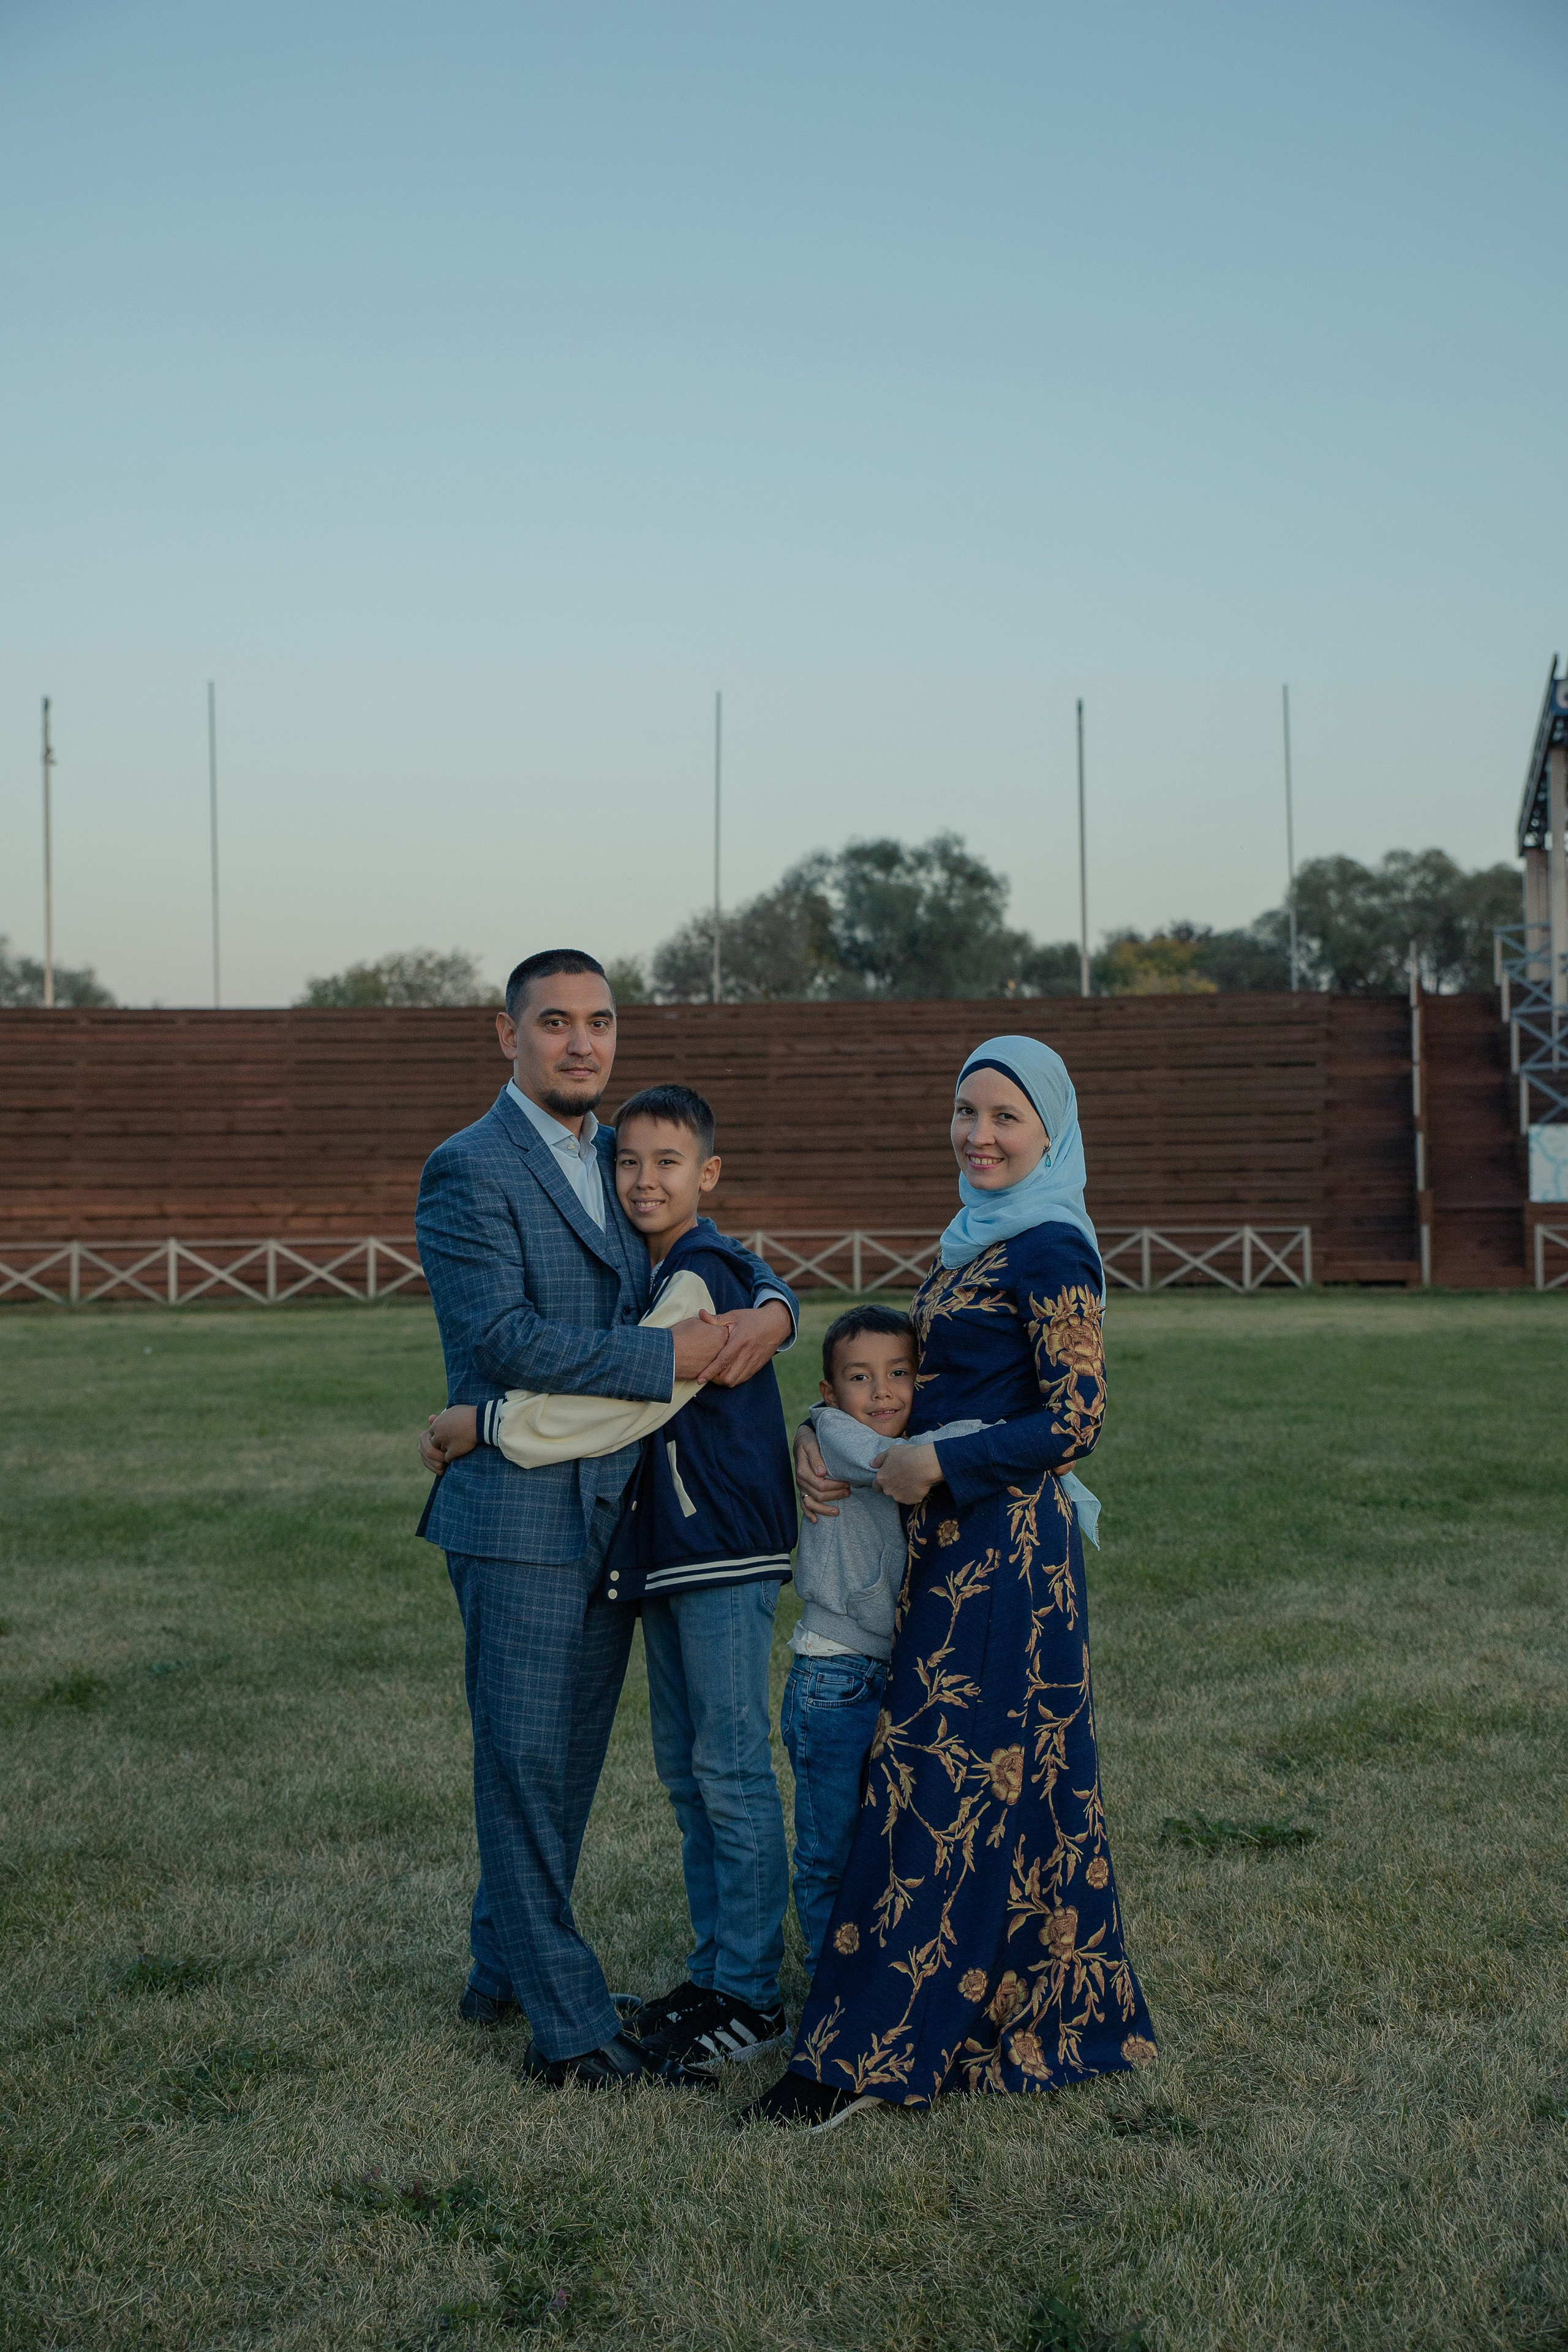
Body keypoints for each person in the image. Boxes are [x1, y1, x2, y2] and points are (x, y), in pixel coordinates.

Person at [748, 1033, 1156, 2130]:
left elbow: (1077, 1417)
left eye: (1005, 1118)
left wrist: (948, 1464)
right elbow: (908, 1391)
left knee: (937, 1787)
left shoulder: (1051, 1248)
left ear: (1051, 1134)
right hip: (960, 1547)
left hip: (1008, 1552)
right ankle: (1025, 2013)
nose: (979, 1135)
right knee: (1000, 1787)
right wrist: (820, 1433)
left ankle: (866, 2054)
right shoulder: (975, 1243)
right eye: (966, 1112)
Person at [413, 951, 796, 2089]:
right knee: (525, 1771)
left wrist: (774, 1307)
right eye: (555, 1023)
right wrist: (666, 1353)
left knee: (565, 1768)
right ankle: (571, 2030)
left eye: (601, 1022)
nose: (581, 1043)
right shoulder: (468, 1168)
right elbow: (505, 1339)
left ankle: (500, 1969)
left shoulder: (619, 1157)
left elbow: (710, 1245)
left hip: (617, 1518)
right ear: (507, 1034)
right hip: (520, 1518)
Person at [780, 1304, 984, 1981]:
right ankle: (825, 1984)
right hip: (833, 1677)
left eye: (900, 1373)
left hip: (888, 1670)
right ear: (830, 1394)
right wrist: (1001, 1440)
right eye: (860, 1377)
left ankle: (877, 1973)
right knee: (828, 1848)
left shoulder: (887, 1430)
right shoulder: (844, 1435)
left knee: (889, 1836)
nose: (883, 1392)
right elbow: (897, 1464)